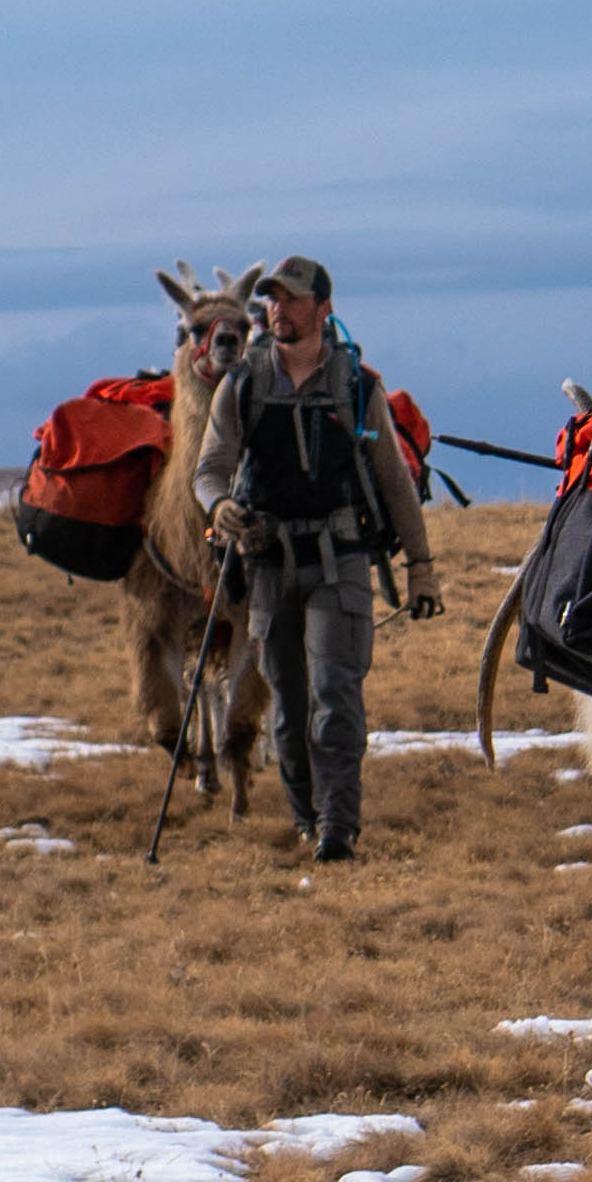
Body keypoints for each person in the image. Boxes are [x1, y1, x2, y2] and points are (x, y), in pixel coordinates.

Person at [191, 255, 436, 862]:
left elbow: (393, 478)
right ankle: (305, 817)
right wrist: (219, 505)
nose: (277, 308)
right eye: (271, 299)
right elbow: (209, 468)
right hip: (269, 562)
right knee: (288, 705)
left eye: (291, 298)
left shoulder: (357, 387)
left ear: (323, 308)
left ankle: (337, 828)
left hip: (340, 559)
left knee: (336, 696)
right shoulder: (244, 383)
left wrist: (422, 566)